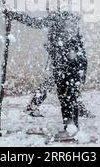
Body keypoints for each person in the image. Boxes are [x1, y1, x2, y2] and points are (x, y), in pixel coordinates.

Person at [8, 9, 88, 137]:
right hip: (71, 66)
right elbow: (78, 50)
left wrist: (15, 15)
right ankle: (72, 126)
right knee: (70, 95)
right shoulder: (71, 23)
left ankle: (70, 127)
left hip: (64, 66)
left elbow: (34, 22)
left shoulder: (58, 19)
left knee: (66, 97)